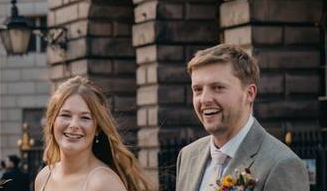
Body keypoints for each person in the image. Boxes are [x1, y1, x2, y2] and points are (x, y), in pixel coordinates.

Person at [176, 44, 309, 191]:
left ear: (249, 94)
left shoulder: (282, 164)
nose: (204, 99)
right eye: (198, 89)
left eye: (218, 88)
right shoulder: (187, 156)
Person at [33, 76, 151, 191]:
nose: (74, 125)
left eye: (85, 117)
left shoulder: (105, 183)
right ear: (52, 121)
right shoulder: (44, 177)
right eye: (65, 115)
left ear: (97, 128)